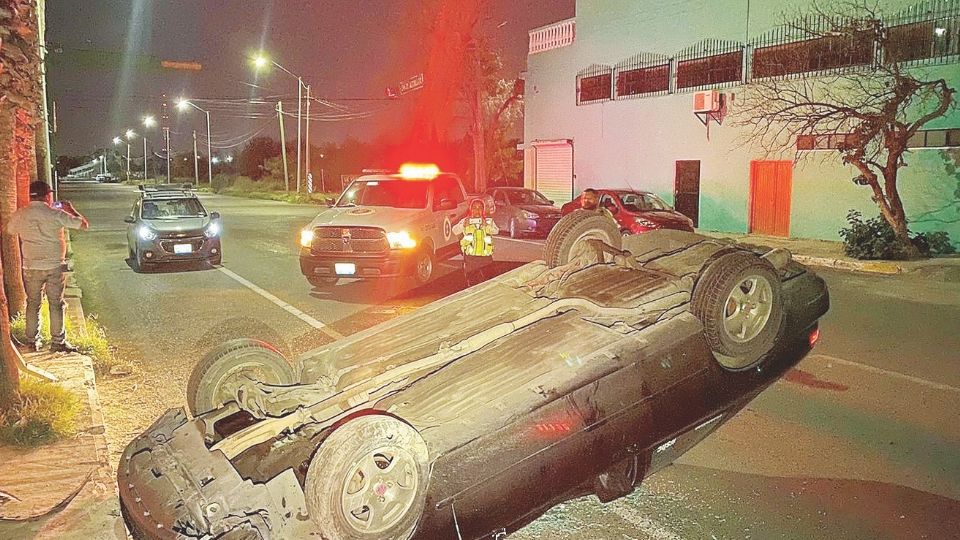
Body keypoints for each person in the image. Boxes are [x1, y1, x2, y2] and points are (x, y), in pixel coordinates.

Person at [7, 181, 89, 353]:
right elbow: (83, 225)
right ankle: (57, 342)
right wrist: (70, 209)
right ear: (46, 196)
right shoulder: (55, 213)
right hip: (54, 266)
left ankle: (32, 341)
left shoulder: (21, 214)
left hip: (31, 266)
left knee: (33, 303)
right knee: (56, 304)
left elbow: (10, 230)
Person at [453, 198, 499, 286]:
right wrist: (463, 225)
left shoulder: (489, 221)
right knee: (472, 284)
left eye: (480, 208)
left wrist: (487, 226)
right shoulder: (465, 221)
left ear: (483, 210)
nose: (477, 210)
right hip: (471, 259)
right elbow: (455, 231)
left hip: (486, 259)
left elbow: (496, 231)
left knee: (489, 283)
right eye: (474, 207)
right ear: (471, 209)